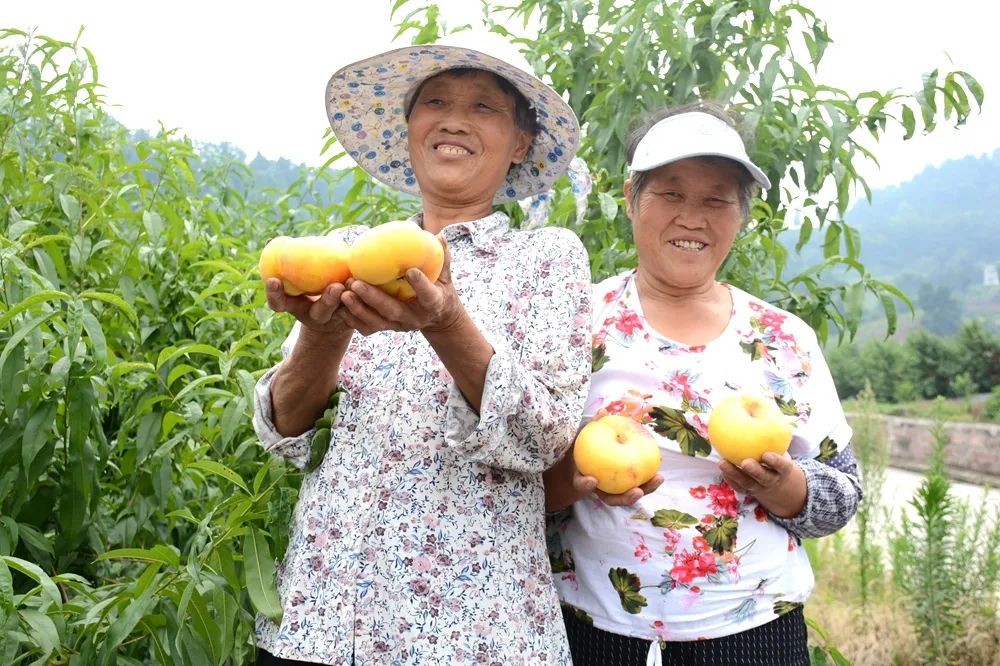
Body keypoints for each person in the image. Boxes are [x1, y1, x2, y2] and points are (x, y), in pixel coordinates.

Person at [252, 33, 591, 665]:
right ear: (409, 128)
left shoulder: (545, 258)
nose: (454, 120)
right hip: (321, 620)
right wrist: (325, 333)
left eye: (483, 106)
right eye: (435, 102)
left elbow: (545, 438)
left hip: (473, 633)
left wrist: (447, 322)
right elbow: (287, 427)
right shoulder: (346, 254)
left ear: (520, 143)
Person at [543, 102, 863, 666]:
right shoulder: (574, 322)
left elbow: (843, 494)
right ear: (631, 198)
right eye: (671, 193)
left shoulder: (782, 337)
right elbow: (511, 487)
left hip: (755, 633)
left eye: (716, 200)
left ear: (741, 215)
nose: (692, 217)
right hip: (593, 629)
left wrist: (787, 488)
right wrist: (577, 481)